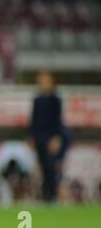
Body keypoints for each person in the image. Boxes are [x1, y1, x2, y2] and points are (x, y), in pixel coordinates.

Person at [29, 71, 68, 203]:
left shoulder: (55, 99)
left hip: (50, 138)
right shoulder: (37, 99)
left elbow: (58, 120)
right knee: (43, 167)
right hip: (39, 137)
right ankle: (46, 196)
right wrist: (32, 137)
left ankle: (52, 195)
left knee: (51, 167)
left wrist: (56, 137)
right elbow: (33, 119)